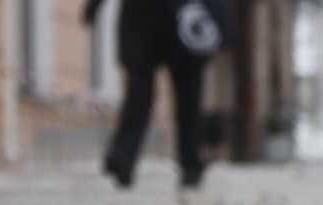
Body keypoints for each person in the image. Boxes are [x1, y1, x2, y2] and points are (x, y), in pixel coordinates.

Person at [83, 0, 223, 190]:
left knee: (143, 94)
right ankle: (189, 164)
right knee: (184, 98)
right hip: (177, 15)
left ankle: (125, 154)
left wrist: (93, 7)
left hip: (157, 16)